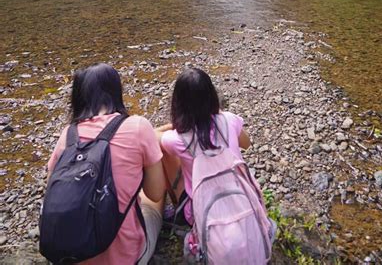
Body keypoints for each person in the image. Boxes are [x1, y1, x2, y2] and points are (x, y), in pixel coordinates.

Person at [46, 63, 166, 265]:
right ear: (115, 92)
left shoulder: (68, 134)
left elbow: (51, 188)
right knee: (150, 200)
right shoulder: (138, 126)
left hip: (70, 254)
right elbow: (155, 192)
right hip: (126, 258)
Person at [158, 67, 251, 226]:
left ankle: (178, 209)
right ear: (212, 97)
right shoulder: (229, 119)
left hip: (204, 216)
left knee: (165, 152)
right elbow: (246, 144)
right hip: (244, 203)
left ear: (178, 105)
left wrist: (177, 124)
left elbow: (152, 135)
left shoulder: (177, 139)